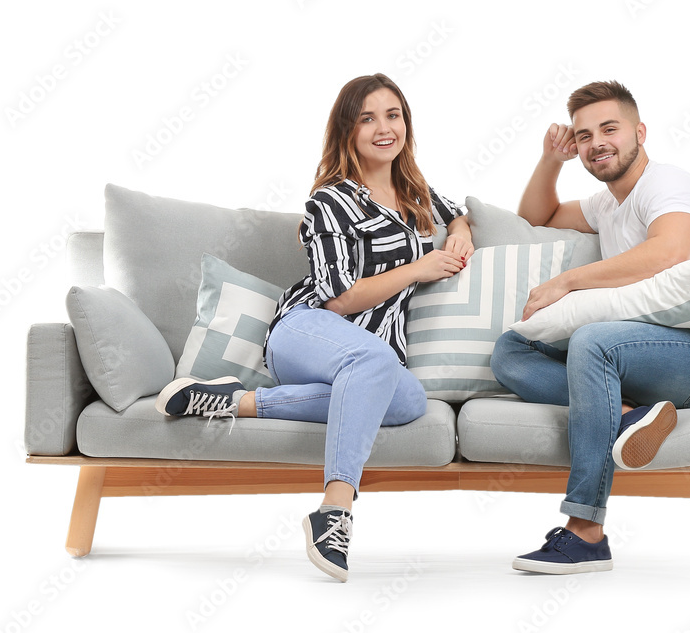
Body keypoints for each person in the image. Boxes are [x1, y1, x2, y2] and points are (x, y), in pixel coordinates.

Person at [154, 73, 473, 582]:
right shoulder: (329, 202)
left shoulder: (416, 192)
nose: (384, 128)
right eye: (368, 117)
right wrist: (418, 267)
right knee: (375, 360)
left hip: (367, 354)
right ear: (348, 129)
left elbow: (458, 214)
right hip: (307, 330)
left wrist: (458, 233)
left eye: (393, 115)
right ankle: (335, 508)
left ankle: (232, 401)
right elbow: (339, 298)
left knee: (409, 400)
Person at [489, 80, 690, 575]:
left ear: (639, 131)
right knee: (512, 350)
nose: (596, 142)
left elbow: (671, 252)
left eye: (609, 128)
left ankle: (585, 532)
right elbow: (540, 215)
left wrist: (568, 283)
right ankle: (627, 412)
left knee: (592, 339)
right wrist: (551, 160)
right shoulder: (605, 204)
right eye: (583, 136)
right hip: (650, 354)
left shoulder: (668, 184)